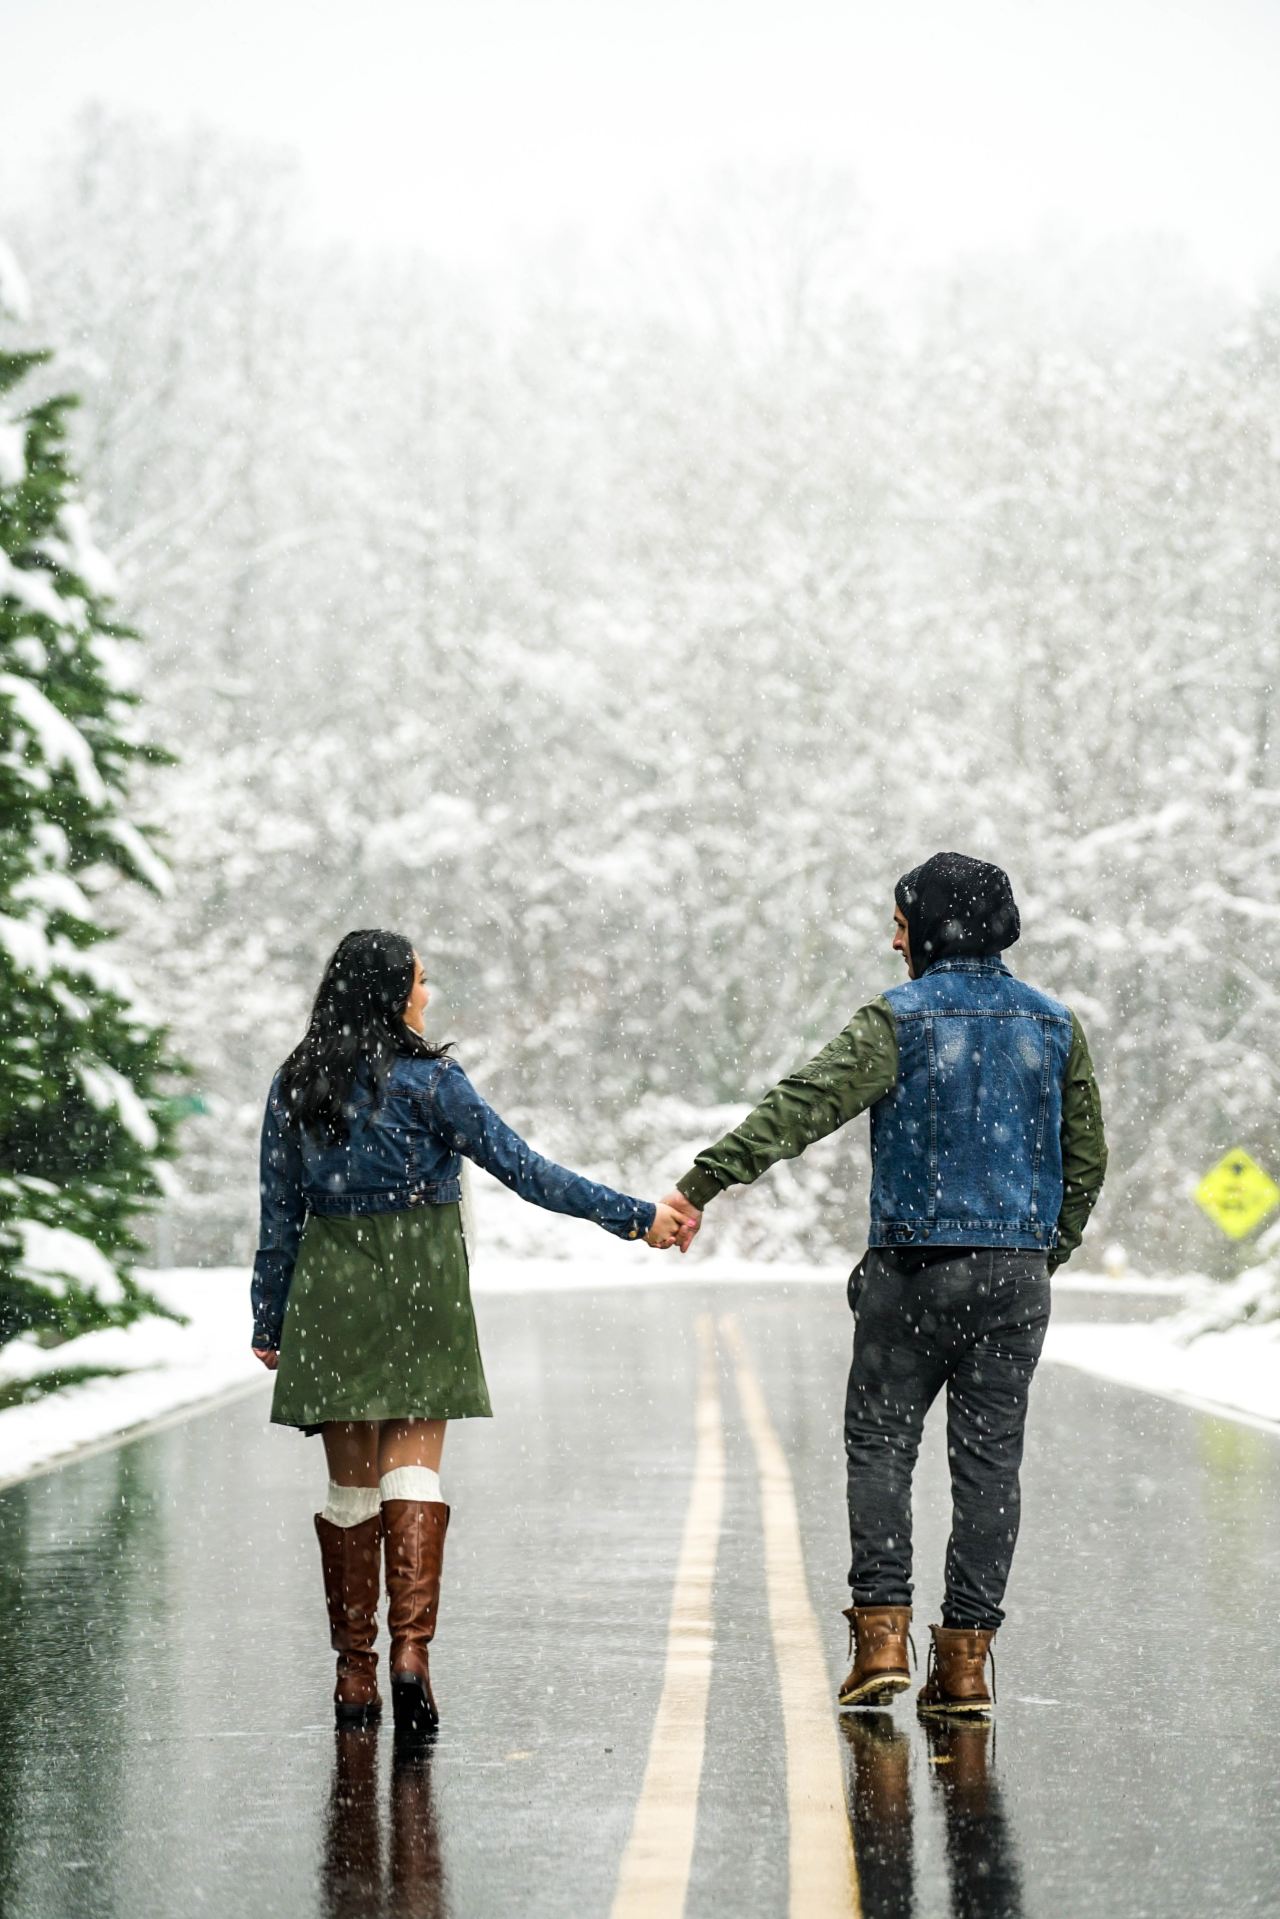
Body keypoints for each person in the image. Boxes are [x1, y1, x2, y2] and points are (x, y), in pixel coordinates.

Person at [662, 853, 1107, 1716]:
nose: (891, 938)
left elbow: (804, 1104)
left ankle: (880, 1639)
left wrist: (702, 1182)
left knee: (880, 1447)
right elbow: (1085, 1160)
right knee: (989, 1467)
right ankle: (967, 1663)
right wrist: (1038, 1254)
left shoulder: (897, 1021)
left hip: (914, 1272)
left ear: (932, 929)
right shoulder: (1054, 1027)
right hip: (1014, 1279)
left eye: (900, 923)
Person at [251, 929, 682, 1737]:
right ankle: (413, 1652)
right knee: (412, 1468)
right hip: (421, 1283)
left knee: (350, 1489)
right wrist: (635, 1217)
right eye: (420, 979)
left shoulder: (295, 1083)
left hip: (333, 1284)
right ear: (390, 993)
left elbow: (279, 1209)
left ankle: (355, 1673)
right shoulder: (432, 1083)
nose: (428, 991)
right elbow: (526, 1169)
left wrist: (269, 1315)